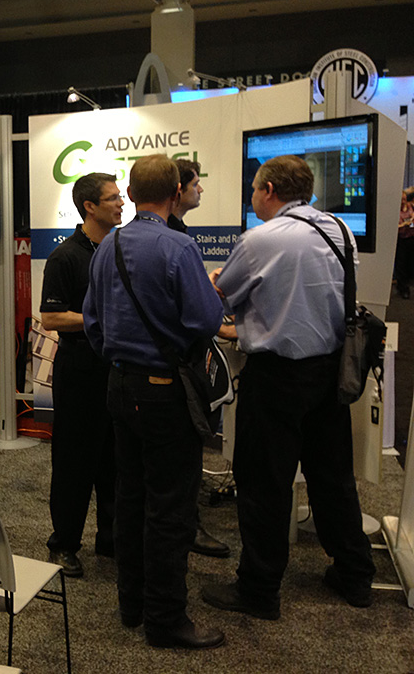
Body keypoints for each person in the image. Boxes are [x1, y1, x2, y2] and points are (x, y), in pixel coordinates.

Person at [202, 154, 376, 618]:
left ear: (270, 190)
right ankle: (355, 574)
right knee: (333, 478)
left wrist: (217, 282)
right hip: (330, 375)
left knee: (264, 484)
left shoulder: (259, 240)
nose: (252, 198)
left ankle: (259, 590)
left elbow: (223, 297)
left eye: (254, 190)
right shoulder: (339, 229)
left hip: (276, 378)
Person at [83, 155, 225, 650]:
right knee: (170, 508)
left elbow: (93, 323)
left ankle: (133, 605)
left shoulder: (108, 245)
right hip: (164, 392)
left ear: (131, 192)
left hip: (120, 386)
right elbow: (207, 320)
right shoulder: (179, 247)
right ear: (175, 193)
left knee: (130, 497)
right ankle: (165, 619)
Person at [40, 172, 122, 578]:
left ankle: (110, 539)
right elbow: (51, 317)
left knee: (114, 460)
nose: (121, 204)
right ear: (90, 207)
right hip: (79, 371)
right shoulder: (65, 257)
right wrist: (99, 319)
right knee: (74, 463)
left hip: (116, 368)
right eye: (112, 198)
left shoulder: (119, 249)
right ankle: (64, 544)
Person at [165, 158, 232, 560]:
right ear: (178, 191)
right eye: (195, 184)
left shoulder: (144, 237)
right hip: (176, 369)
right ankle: (185, 528)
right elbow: (199, 316)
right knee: (181, 457)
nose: (201, 190)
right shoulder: (176, 241)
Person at [394, 187, 414, 299]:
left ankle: (407, 285)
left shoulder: (411, 207)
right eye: (401, 199)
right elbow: (394, 227)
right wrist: (404, 225)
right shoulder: (396, 211)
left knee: (409, 264)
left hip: (411, 238)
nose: (403, 201)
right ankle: (402, 288)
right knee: (401, 265)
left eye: (404, 199)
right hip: (400, 239)